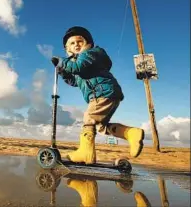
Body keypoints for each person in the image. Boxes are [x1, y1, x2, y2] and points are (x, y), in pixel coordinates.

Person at [51, 26, 144, 164]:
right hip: (107, 94)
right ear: (67, 48)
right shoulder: (82, 62)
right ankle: (131, 133)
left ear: (88, 43)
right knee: (101, 126)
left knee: (88, 118)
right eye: (72, 43)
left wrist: (62, 62)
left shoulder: (90, 53)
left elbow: (77, 67)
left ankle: (86, 153)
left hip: (102, 93)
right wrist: (63, 71)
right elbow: (74, 81)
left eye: (80, 41)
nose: (76, 44)